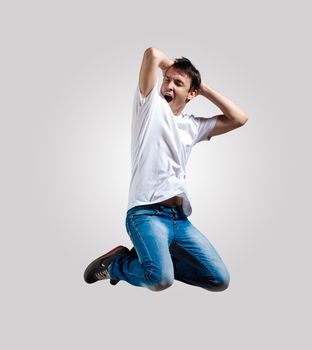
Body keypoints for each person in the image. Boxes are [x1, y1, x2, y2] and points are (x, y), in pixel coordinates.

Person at [84, 47, 248, 292]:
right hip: (145, 215)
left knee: (219, 280)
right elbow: (152, 54)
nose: (168, 85)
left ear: (191, 94)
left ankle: (152, 259)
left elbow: (239, 118)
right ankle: (117, 264)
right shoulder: (149, 107)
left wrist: (202, 87)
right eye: (166, 79)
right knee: (161, 279)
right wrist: (176, 69)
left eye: (178, 83)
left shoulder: (193, 126)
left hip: (179, 220)